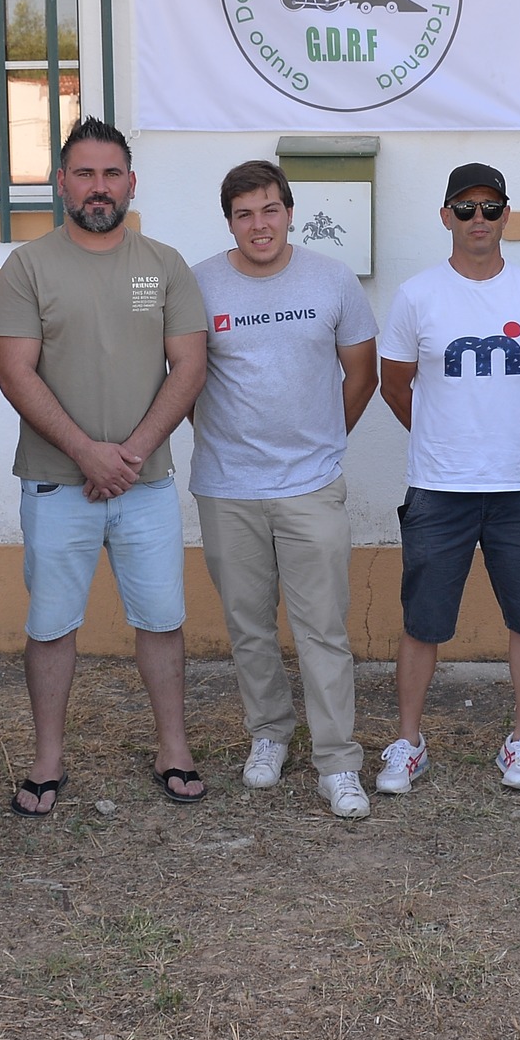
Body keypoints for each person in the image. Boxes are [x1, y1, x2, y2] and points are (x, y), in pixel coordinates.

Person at [0, 117, 209, 813]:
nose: (97, 186)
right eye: (83, 173)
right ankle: (47, 759)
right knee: (52, 624)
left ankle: (173, 747)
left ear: (131, 182)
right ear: (61, 182)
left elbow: (190, 364)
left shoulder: (165, 263)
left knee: (161, 618)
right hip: (58, 483)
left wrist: (132, 451)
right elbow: (15, 372)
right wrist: (87, 451)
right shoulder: (26, 267)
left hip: (145, 484)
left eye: (111, 173)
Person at [376, 163, 520, 794]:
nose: (478, 220)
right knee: (422, 621)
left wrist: (515, 431)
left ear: (505, 216)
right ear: (445, 217)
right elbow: (393, 384)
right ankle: (408, 743)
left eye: (490, 208)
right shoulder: (416, 296)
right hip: (439, 489)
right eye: (465, 209)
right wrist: (441, 436)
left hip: (518, 489)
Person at [191, 160, 379, 818]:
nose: (258, 224)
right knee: (248, 624)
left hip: (311, 484)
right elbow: (186, 377)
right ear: (230, 221)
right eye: (244, 213)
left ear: (290, 211)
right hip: (227, 486)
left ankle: (337, 760)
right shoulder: (201, 282)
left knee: (322, 628)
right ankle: (269, 731)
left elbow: (362, 373)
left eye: (269, 209)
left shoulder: (332, 279)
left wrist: (324, 439)